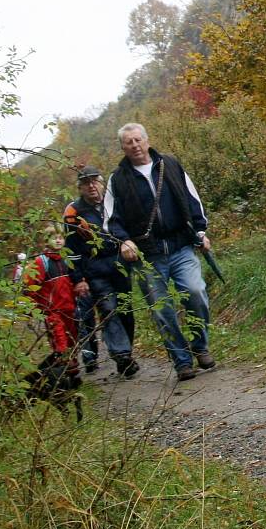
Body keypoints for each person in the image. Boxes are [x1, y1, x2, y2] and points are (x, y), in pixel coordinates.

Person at [104, 122, 215, 381]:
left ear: (146, 140)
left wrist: (200, 231)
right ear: (122, 147)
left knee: (195, 292)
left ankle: (200, 346)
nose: (134, 145)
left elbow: (192, 199)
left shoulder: (170, 164)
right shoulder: (117, 180)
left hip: (180, 246)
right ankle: (182, 361)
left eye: (138, 140)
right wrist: (123, 241)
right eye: (128, 142)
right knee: (161, 310)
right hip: (146, 255)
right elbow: (110, 220)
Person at [64, 165, 138, 378]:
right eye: (86, 183)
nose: (91, 186)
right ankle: (122, 355)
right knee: (108, 308)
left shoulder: (113, 203)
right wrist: (78, 279)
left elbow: (126, 226)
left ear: (102, 182)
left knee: (125, 309)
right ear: (80, 188)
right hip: (94, 269)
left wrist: (128, 242)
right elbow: (71, 249)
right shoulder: (74, 213)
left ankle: (126, 351)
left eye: (95, 181)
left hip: (119, 264)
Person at [23, 225, 80, 379]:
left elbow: (74, 281)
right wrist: (30, 306)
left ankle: (72, 365)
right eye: (54, 238)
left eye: (61, 237)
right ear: (46, 241)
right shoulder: (41, 262)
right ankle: (63, 366)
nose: (58, 240)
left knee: (72, 337)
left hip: (69, 308)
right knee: (59, 339)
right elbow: (31, 285)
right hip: (52, 311)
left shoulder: (66, 259)